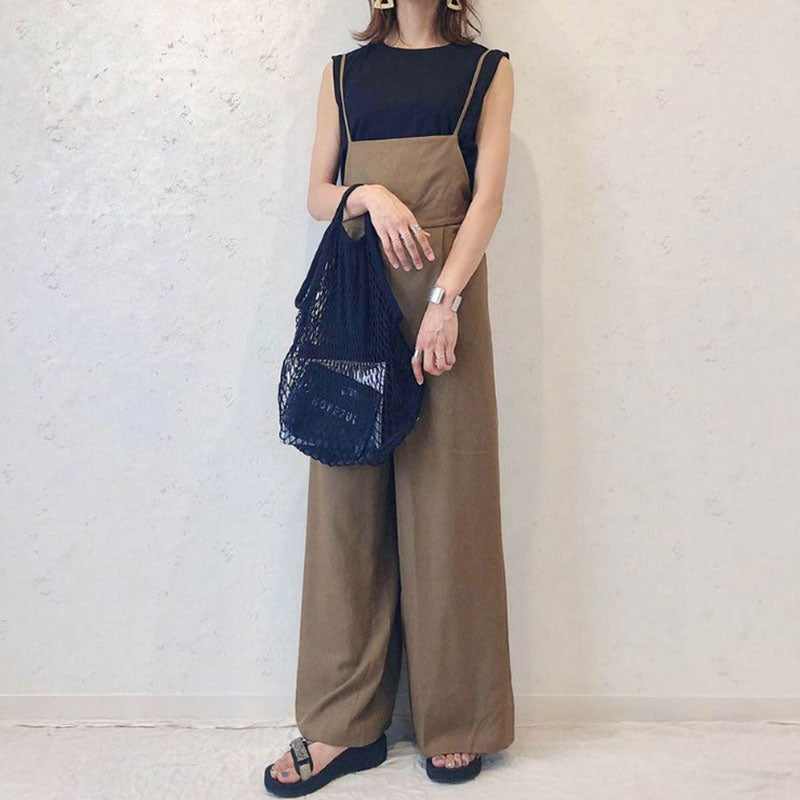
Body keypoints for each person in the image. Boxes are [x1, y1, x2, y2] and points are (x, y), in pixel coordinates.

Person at [265, 0, 515, 794]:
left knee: (449, 508)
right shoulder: (343, 76)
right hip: (353, 293)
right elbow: (318, 193)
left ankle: (459, 717)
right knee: (345, 512)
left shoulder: (486, 72)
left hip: (444, 304)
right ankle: (343, 727)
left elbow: (487, 200)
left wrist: (445, 301)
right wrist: (367, 194)